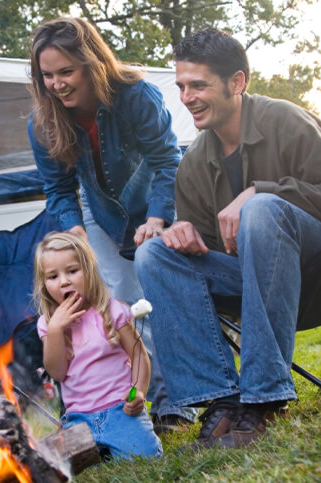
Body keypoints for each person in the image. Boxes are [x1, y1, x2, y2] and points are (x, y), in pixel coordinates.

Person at [133, 28, 321, 448]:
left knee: (261, 209)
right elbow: (211, 253)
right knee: (153, 254)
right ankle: (220, 399)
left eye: (198, 85)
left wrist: (264, 191)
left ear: (237, 82)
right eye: (181, 86)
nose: (186, 97)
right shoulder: (194, 163)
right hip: (253, 285)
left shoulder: (285, 120)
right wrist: (183, 234)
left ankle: (264, 399)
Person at [27, 16, 195, 432]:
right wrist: (74, 230)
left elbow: (167, 162)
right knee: (122, 301)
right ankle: (148, 405)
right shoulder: (42, 123)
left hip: (155, 201)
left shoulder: (136, 96)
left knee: (160, 293)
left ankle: (181, 404)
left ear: (92, 63)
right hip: (98, 215)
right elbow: (58, 187)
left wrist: (158, 218)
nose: (58, 84)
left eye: (66, 72)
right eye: (47, 75)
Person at [34, 231, 162, 459]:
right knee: (57, 464)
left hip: (120, 410)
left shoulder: (111, 310)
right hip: (78, 418)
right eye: (53, 276)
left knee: (147, 455)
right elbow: (57, 373)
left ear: (89, 271)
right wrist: (55, 331)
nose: (64, 281)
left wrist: (139, 390)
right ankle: (103, 451)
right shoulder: (47, 324)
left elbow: (139, 355)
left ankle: (112, 447)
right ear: (44, 283)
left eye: (72, 271)